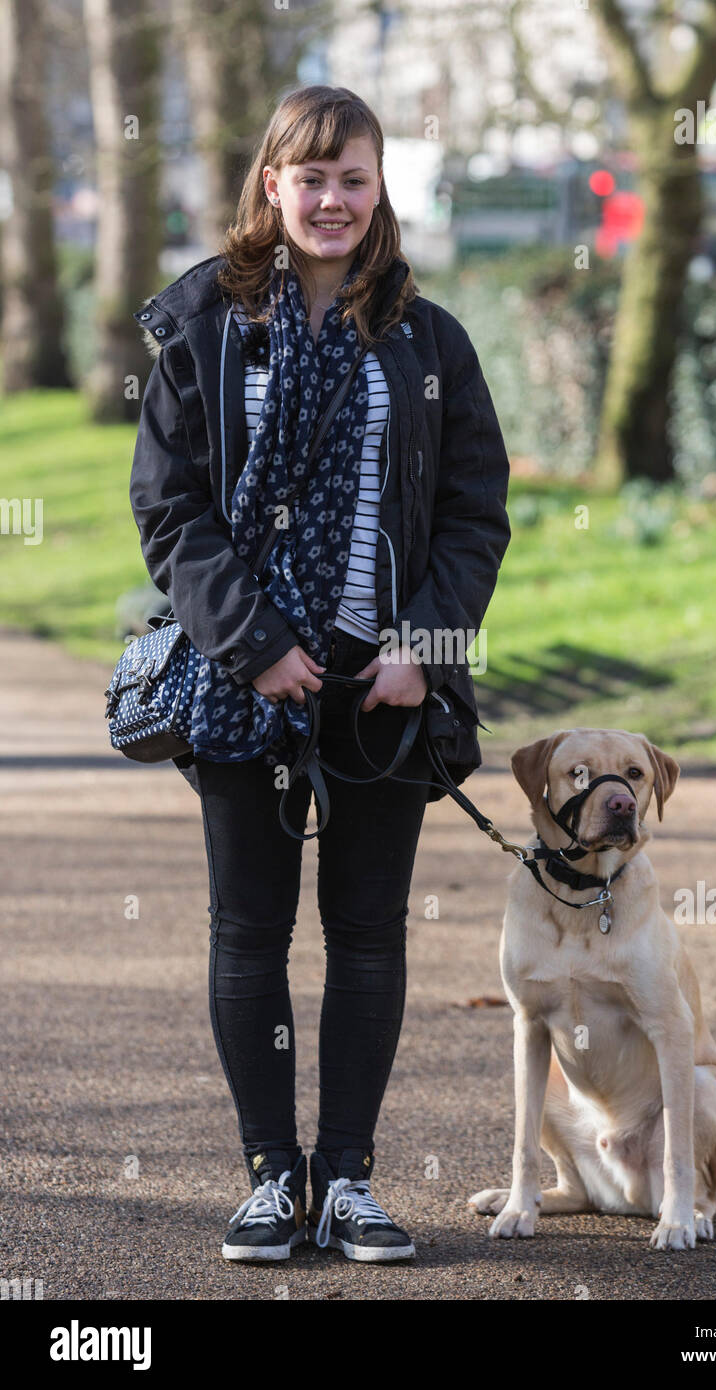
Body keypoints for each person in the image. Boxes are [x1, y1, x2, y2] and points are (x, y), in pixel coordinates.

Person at [128, 85, 510, 1265]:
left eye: (355, 177)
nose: (333, 198)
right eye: (312, 177)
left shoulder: (428, 339)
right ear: (271, 186)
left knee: (367, 932)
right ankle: (265, 1178)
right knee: (247, 931)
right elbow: (169, 510)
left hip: (383, 686)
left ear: (379, 185)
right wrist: (253, 643)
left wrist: (420, 647)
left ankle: (345, 1177)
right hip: (242, 676)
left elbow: (470, 514)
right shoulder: (201, 324)